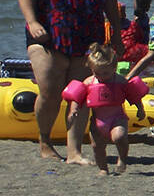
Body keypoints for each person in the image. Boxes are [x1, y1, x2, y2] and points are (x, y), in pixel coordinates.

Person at [18, 0, 118, 162]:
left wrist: (116, 33)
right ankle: (45, 142)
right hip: (49, 35)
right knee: (50, 92)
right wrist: (32, 22)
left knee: (80, 95)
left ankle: (74, 151)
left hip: (87, 38)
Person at [61, 41, 148, 174]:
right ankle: (103, 169)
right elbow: (76, 97)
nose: (102, 77)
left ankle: (123, 159)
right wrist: (73, 111)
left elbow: (134, 95)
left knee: (119, 137)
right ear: (92, 70)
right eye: (97, 73)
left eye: (106, 73)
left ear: (114, 68)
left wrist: (140, 109)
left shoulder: (120, 81)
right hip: (97, 121)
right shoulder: (89, 82)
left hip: (117, 118)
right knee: (97, 147)